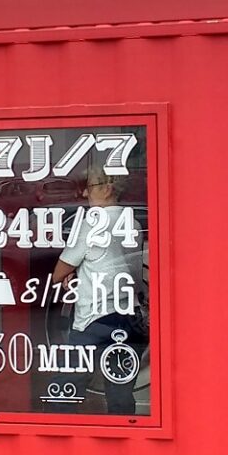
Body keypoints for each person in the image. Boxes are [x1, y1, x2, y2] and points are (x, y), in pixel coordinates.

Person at [51, 167, 145, 414]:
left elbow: (59, 273)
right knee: (120, 392)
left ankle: (58, 445)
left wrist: (71, 274)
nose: (83, 193)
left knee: (67, 389)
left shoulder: (92, 223)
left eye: (90, 186)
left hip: (94, 318)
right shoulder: (132, 222)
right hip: (128, 314)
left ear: (107, 188)